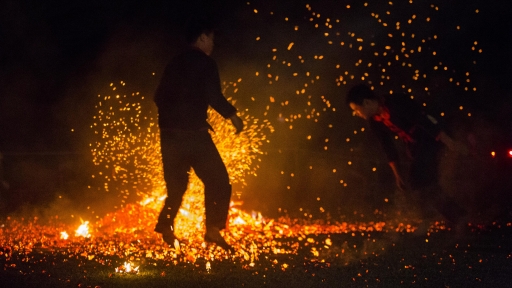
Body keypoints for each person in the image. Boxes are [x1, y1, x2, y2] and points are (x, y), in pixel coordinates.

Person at [153, 19, 244, 250]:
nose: (213, 43)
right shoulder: (206, 63)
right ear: (202, 38)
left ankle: (165, 224)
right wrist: (232, 115)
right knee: (219, 181)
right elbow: (213, 95)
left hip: (169, 135)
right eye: (211, 38)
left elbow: (158, 97)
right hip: (194, 135)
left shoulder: (173, 63)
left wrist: (170, 120)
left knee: (177, 186)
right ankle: (213, 230)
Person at [346, 84, 467, 233]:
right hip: (415, 146)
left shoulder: (397, 103)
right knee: (426, 181)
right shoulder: (374, 121)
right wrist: (397, 175)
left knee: (418, 178)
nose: (357, 114)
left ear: (366, 102)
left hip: (430, 138)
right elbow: (387, 147)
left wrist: (450, 142)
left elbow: (425, 121)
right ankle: (457, 217)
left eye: (357, 109)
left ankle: (431, 218)